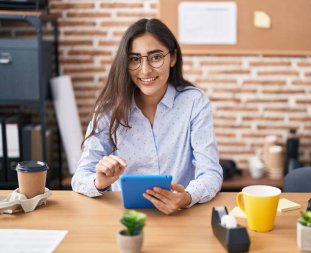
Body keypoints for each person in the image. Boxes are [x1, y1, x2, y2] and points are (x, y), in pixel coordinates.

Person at [71, 18, 223, 215]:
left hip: (179, 216)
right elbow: (80, 177)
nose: (145, 70)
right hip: (123, 217)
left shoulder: (194, 102)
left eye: (156, 57)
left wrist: (186, 197)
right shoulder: (109, 108)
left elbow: (211, 172)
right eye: (135, 59)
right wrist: (100, 181)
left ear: (173, 58)